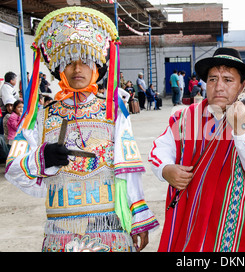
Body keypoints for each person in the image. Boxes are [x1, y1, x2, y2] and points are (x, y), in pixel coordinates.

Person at [5, 7, 159, 252]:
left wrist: (138, 217)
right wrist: (41, 159)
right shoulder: (39, 117)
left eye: (85, 61)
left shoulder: (114, 112)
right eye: (69, 62)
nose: (77, 70)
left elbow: (128, 169)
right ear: (58, 69)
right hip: (61, 233)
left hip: (111, 228)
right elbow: (13, 169)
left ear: (97, 67)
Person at [149, 47, 245, 252]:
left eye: (228, 79)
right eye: (212, 79)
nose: (219, 87)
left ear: (243, 84)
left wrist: (241, 130)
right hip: (198, 226)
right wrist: (165, 169)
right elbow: (160, 148)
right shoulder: (187, 117)